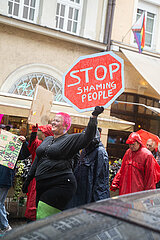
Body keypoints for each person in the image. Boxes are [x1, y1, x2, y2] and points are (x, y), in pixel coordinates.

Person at [22, 106, 104, 219]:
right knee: (45, 218)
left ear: (66, 125)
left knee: (43, 216)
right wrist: (28, 179)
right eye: (53, 120)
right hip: (42, 184)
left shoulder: (70, 139)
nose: (53, 122)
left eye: (57, 120)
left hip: (60, 184)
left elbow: (87, 136)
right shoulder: (47, 140)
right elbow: (37, 160)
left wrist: (94, 116)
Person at [67, 128, 110, 209]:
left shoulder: (100, 152)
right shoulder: (85, 150)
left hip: (90, 198)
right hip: (80, 195)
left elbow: (101, 183)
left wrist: (97, 203)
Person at [24, 124, 54, 222]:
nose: (41, 134)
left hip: (41, 179)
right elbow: (32, 144)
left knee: (36, 203)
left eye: (43, 132)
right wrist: (34, 132)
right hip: (37, 178)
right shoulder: (40, 144)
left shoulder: (50, 146)